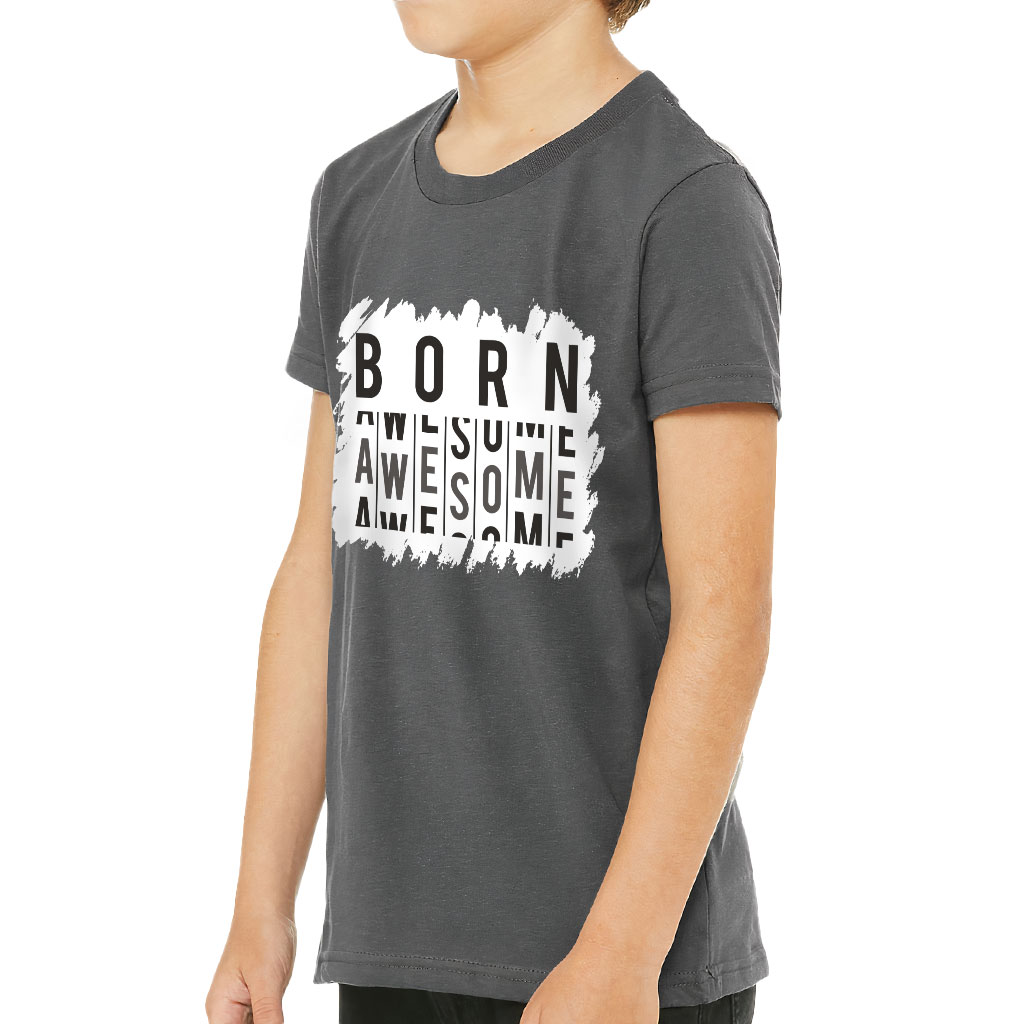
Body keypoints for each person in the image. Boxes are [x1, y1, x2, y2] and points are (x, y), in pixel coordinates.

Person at [206, 1, 781, 1021]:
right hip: (393, 947)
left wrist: (620, 950)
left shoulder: (685, 201)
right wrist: (262, 903)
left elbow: (725, 612)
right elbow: (319, 565)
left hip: (617, 971)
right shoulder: (356, 198)